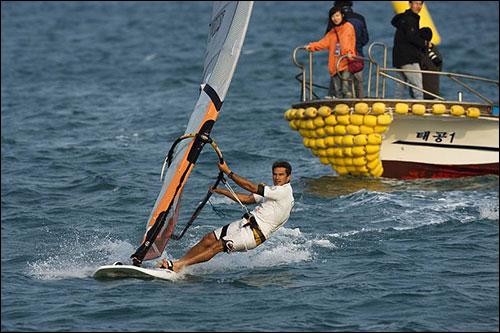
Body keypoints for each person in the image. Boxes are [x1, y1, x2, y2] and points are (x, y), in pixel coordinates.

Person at [156, 160, 294, 273]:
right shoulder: (274, 191)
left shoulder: (284, 192)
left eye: (281, 175)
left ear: (289, 177)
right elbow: (246, 199)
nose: (277, 178)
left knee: (218, 246)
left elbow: (251, 187)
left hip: (254, 234)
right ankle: (179, 263)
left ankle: (179, 266)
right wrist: (221, 191)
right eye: (275, 174)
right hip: (245, 224)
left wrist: (228, 172)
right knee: (209, 238)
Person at [306, 6, 357, 99]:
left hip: (346, 62)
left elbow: (347, 42)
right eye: (333, 16)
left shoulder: (348, 27)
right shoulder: (332, 32)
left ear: (342, 15)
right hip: (335, 64)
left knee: (346, 89)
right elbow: (323, 43)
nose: (335, 18)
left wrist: (349, 53)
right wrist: (311, 46)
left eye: (337, 15)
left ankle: (349, 107)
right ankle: (340, 107)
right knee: (338, 91)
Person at [326, 1, 369, 98]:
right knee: (358, 83)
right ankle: (361, 103)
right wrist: (357, 46)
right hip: (357, 55)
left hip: (340, 58)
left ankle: (336, 102)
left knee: (338, 85)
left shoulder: (335, 19)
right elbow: (365, 39)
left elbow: (328, 38)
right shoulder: (360, 18)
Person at [391, 1, 429, 99]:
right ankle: (420, 109)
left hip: (398, 57)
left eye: (420, 4)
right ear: (410, 4)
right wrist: (425, 43)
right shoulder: (411, 19)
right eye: (416, 3)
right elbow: (411, 36)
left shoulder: (403, 17)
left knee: (399, 87)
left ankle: (394, 109)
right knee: (418, 87)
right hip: (409, 58)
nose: (418, 6)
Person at [419, 27, 442, 99]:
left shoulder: (422, 53)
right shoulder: (436, 53)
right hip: (435, 92)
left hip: (423, 93)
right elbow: (440, 68)